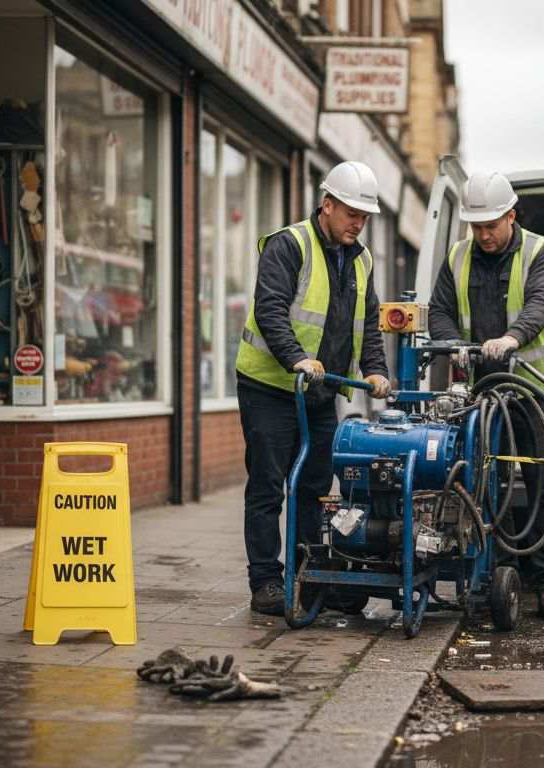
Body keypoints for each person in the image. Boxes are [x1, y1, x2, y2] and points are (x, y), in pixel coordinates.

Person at [234, 160, 392, 616]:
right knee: (267, 484)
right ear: (327, 205)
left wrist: (376, 370)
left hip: (320, 393)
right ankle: (265, 579)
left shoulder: (361, 259)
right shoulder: (290, 245)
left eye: (364, 217)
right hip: (270, 386)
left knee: (315, 485)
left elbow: (368, 323)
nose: (358, 224)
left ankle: (308, 573)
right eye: (350, 214)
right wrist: (296, 358)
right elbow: (271, 309)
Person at [427, 170, 544, 620]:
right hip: (483, 394)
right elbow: (441, 311)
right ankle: (500, 574)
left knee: (543, 487)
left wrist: (512, 338)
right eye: (476, 226)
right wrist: (454, 345)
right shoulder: (458, 256)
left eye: (491, 225)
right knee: (490, 484)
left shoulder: (541, 252)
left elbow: (541, 304)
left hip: (535, 390)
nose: (483, 235)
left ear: (511, 215)